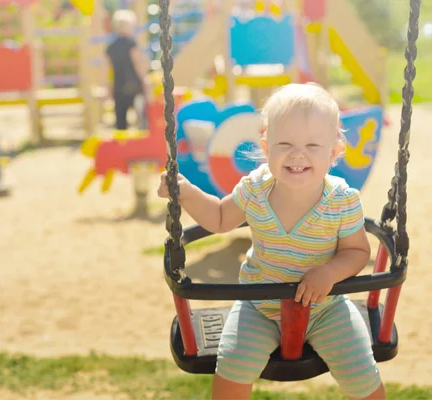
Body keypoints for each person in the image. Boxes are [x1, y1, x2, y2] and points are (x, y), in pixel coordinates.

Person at [157, 83, 386, 400]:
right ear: (266, 146)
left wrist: (329, 273)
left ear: (334, 151)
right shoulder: (255, 189)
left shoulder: (342, 200)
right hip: (259, 307)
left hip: (327, 309)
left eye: (312, 145)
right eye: (285, 143)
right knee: (232, 367)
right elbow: (221, 218)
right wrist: (186, 193)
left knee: (363, 376)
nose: (297, 154)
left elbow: (358, 252)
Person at [105, 9, 147, 130]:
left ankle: (121, 140)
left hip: (118, 85)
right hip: (134, 85)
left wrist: (107, 87)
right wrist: (144, 80)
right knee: (140, 114)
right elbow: (138, 64)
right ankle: (141, 138)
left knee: (120, 116)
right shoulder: (131, 44)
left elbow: (106, 69)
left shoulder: (111, 47)